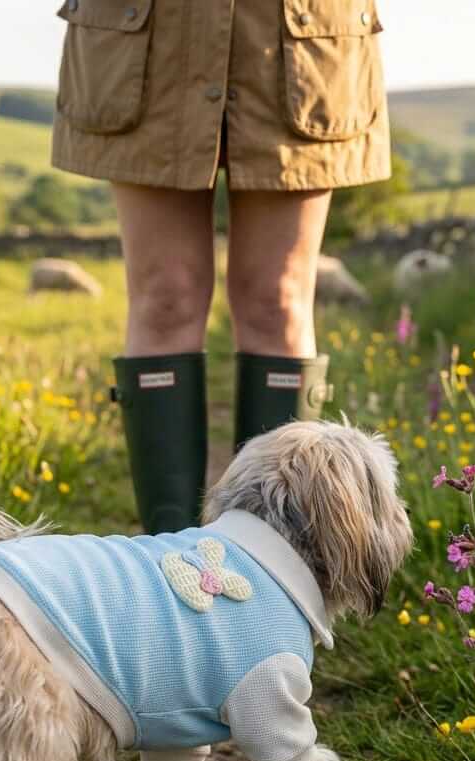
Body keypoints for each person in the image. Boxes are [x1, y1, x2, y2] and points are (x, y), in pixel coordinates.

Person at [51, 0, 391, 533]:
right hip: (148, 30)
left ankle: (276, 562)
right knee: (166, 297)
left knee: (277, 301)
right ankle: (170, 564)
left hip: (300, 31)